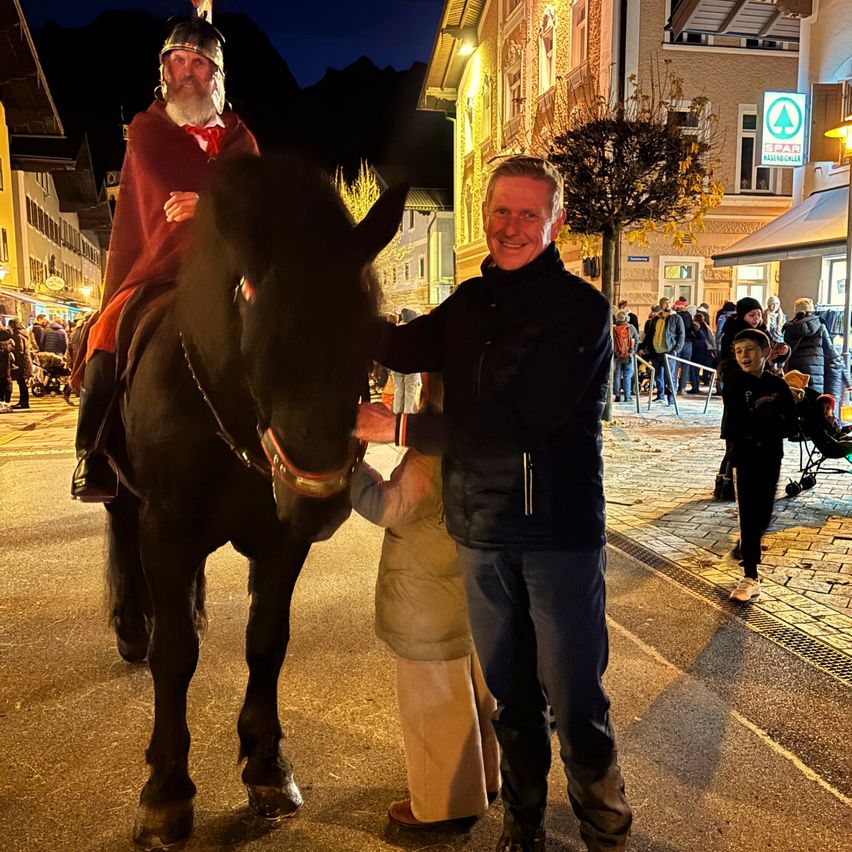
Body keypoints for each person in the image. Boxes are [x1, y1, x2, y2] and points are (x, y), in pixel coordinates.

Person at [355, 155, 632, 852]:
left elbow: (524, 423)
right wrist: (318, 290)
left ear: (555, 222)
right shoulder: (470, 305)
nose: (511, 227)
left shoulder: (582, 312)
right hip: (478, 532)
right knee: (510, 693)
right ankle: (525, 822)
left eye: (528, 214)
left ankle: (605, 825)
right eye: (501, 211)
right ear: (486, 216)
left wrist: (398, 429)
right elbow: (395, 343)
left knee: (573, 696)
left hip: (557, 537)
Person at [69, 15, 258, 502]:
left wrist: (211, 205)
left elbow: (257, 195)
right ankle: (93, 453)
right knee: (106, 328)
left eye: (200, 62)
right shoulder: (148, 129)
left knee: (276, 320)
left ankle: (290, 444)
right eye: (179, 61)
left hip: (227, 268)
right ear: (165, 72)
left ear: (217, 77)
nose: (189, 71)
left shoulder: (241, 138)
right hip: (157, 267)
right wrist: (212, 194)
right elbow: (158, 183)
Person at [350, 374, 500, 829]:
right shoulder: (485, 442)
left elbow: (388, 506)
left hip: (426, 603)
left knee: (431, 707)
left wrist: (355, 472)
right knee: (475, 698)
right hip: (466, 597)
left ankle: (443, 806)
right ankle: (487, 779)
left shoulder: (432, 454)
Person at [722, 329, 797, 601]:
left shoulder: (778, 386)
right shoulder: (733, 383)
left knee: (763, 515)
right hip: (744, 456)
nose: (744, 356)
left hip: (770, 456)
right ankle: (750, 575)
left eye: (750, 349)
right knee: (748, 514)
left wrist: (769, 418)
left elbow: (790, 424)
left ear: (765, 352)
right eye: (739, 351)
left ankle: (747, 545)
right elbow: (736, 421)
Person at [783, 298, 846, 401]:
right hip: (816, 379)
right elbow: (832, 354)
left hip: (795, 378)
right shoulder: (820, 327)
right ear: (811, 311)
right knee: (815, 409)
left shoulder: (790, 329)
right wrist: (846, 378)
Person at [645, 297, 684, 405]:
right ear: (661, 305)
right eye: (665, 303)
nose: (667, 305)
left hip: (669, 351)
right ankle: (660, 395)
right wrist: (644, 347)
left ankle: (671, 398)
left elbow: (681, 335)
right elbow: (650, 334)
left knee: (670, 376)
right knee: (658, 375)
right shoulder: (656, 319)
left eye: (669, 303)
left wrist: (676, 350)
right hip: (657, 351)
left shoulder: (676, 318)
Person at [390, 307, 423, 414]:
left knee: (398, 391)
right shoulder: (416, 331)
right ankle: (408, 418)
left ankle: (396, 416)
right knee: (410, 393)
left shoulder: (395, 330)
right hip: (411, 366)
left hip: (396, 366)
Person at [612, 310, 638, 402]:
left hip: (617, 356)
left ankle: (617, 396)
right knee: (627, 376)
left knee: (617, 376)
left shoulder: (614, 329)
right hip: (628, 356)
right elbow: (636, 342)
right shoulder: (631, 328)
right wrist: (632, 352)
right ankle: (627, 397)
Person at [8, 318, 33, 410]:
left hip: (21, 362)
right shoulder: (23, 333)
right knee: (22, 382)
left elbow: (20, 350)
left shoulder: (17, 335)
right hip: (25, 361)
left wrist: (15, 358)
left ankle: (24, 402)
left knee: (22, 382)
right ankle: (23, 401)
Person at [0, 326, 13, 404]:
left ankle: (3, 401)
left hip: (3, 364)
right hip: (7, 365)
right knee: (6, 381)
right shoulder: (9, 339)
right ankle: (6, 401)